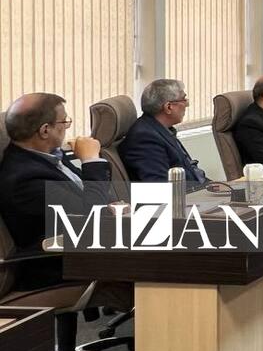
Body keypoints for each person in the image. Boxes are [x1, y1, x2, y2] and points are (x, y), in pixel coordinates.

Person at [0, 93, 112, 290]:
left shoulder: (47, 156)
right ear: (45, 130)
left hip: (86, 245)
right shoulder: (24, 179)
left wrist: (111, 206)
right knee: (159, 263)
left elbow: (85, 200)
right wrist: (91, 160)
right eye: (64, 122)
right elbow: (93, 218)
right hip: (58, 264)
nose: (67, 127)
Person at [122, 78, 208, 186]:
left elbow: (190, 170)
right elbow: (159, 187)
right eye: (184, 99)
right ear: (168, 107)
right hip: (185, 195)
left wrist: (212, 187)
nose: (187, 104)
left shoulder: (161, 129)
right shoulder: (145, 138)